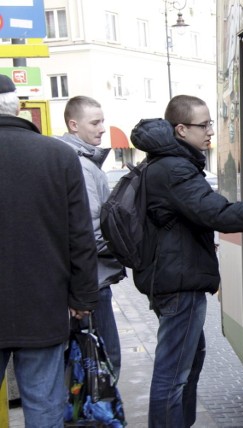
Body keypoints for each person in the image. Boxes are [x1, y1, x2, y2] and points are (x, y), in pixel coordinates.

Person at [129, 94, 243, 428]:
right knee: (172, 376)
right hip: (179, 285)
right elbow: (219, 213)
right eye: (204, 125)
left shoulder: (165, 163)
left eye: (211, 123)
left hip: (172, 279)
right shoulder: (174, 169)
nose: (210, 132)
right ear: (181, 129)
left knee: (189, 361)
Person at [0, 74, 99, 426]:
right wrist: (83, 298)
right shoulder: (58, 156)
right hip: (43, 305)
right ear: (20, 109)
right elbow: (80, 236)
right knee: (44, 406)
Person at [57, 95, 126, 378]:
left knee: (82, 364)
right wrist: (125, 248)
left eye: (103, 122)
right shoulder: (81, 166)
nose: (101, 128)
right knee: (105, 362)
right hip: (91, 282)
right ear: (74, 125)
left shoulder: (72, 158)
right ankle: (99, 420)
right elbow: (89, 231)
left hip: (82, 280)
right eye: (95, 122)